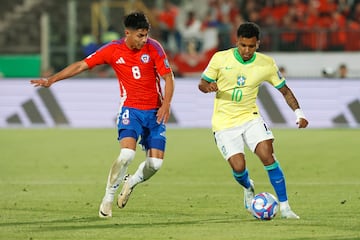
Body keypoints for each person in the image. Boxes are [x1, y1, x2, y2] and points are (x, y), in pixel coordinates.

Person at [30, 12, 175, 218]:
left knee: (155, 164)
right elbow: (82, 65)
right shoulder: (113, 50)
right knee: (126, 155)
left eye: (146, 35)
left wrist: (166, 104)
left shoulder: (154, 47)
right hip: (130, 111)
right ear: (128, 33)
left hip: (154, 112)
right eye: (140, 36)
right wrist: (52, 79)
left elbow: (168, 77)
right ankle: (108, 199)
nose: (144, 40)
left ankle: (131, 182)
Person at [198, 22, 308, 219]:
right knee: (239, 168)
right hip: (224, 123)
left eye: (251, 46)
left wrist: (299, 113)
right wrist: (208, 87)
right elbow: (202, 83)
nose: (246, 50)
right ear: (237, 42)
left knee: (268, 155)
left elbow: (284, 90)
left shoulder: (266, 64)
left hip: (250, 117)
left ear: (258, 43)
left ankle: (285, 207)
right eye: (242, 45)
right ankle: (248, 187)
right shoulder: (220, 58)